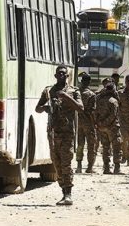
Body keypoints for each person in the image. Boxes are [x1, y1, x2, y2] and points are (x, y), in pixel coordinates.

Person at [35, 65, 84, 206]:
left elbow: (80, 108)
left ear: (67, 76)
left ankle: (68, 194)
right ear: (56, 76)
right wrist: (45, 108)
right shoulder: (48, 91)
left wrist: (66, 97)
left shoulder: (73, 91)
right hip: (53, 133)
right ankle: (63, 191)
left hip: (67, 133)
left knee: (66, 163)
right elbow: (37, 108)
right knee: (57, 164)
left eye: (64, 73)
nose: (62, 75)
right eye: (59, 73)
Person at [96, 82, 123, 174]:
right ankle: (117, 168)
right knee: (116, 147)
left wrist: (100, 124)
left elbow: (95, 113)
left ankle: (106, 168)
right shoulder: (113, 101)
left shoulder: (99, 99)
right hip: (112, 127)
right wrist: (106, 123)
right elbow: (113, 115)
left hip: (102, 128)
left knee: (105, 147)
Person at [75, 72, 97, 174]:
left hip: (78, 122)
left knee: (80, 144)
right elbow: (92, 111)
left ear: (82, 81)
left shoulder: (76, 92)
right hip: (88, 123)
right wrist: (94, 123)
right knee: (91, 145)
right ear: (89, 82)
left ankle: (79, 166)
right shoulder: (91, 95)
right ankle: (90, 167)